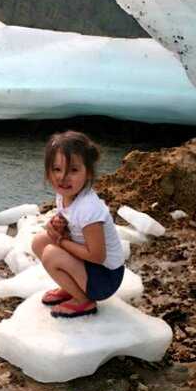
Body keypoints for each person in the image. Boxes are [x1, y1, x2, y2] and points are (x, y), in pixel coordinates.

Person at [31, 130, 125, 318]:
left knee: (51, 253)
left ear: (88, 172)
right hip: (89, 268)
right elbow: (70, 219)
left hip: (105, 278)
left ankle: (84, 301)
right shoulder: (65, 195)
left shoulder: (89, 208)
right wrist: (58, 224)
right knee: (39, 242)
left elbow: (97, 256)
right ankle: (71, 288)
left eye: (73, 170)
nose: (63, 177)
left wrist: (61, 241)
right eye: (57, 169)